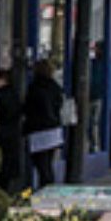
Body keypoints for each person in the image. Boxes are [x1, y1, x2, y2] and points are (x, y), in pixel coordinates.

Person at [22, 59, 66, 191]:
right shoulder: (55, 87)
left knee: (41, 164)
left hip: (39, 130)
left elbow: (29, 108)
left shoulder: (35, 87)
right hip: (53, 130)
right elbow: (59, 105)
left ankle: (45, 189)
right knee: (47, 163)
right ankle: (48, 188)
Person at [0, 69, 23, 194]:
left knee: (0, 169)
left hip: (0, 136)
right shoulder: (14, 94)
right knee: (7, 171)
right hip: (12, 135)